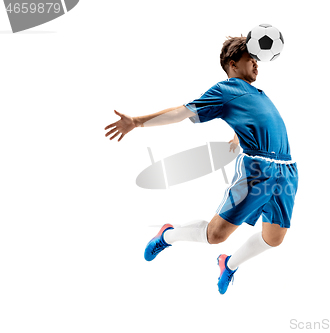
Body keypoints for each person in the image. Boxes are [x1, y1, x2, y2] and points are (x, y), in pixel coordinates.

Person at [104, 36, 299, 294]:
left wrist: (238, 135)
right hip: (258, 170)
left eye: (256, 58)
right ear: (233, 64)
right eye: (249, 59)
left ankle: (228, 265)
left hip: (287, 169)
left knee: (274, 239)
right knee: (216, 235)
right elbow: (181, 112)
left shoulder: (259, 93)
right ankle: (167, 235)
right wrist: (138, 121)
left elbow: (254, 120)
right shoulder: (225, 89)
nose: (256, 63)